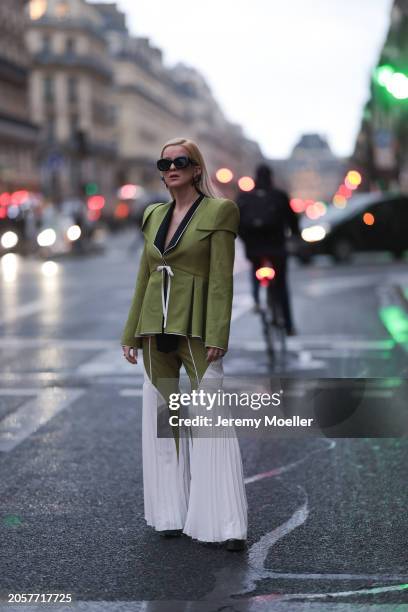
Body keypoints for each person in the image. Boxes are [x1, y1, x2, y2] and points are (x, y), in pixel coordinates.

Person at [120, 137, 248, 551]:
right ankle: (169, 514)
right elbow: (144, 276)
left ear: (196, 169)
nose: (171, 167)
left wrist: (218, 334)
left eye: (181, 161)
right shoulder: (153, 214)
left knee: (210, 417)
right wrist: (130, 333)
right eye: (165, 161)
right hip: (156, 328)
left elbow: (221, 280)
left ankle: (226, 523)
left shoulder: (220, 211)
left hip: (196, 328)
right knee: (163, 420)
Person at [237, 164, 299, 335]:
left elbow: (236, 223)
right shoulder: (279, 196)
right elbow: (292, 220)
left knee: (255, 268)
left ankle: (256, 300)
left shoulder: (245, 197)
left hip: (254, 248)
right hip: (277, 248)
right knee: (281, 285)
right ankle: (288, 325)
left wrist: (246, 241)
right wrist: (295, 237)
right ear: (271, 177)